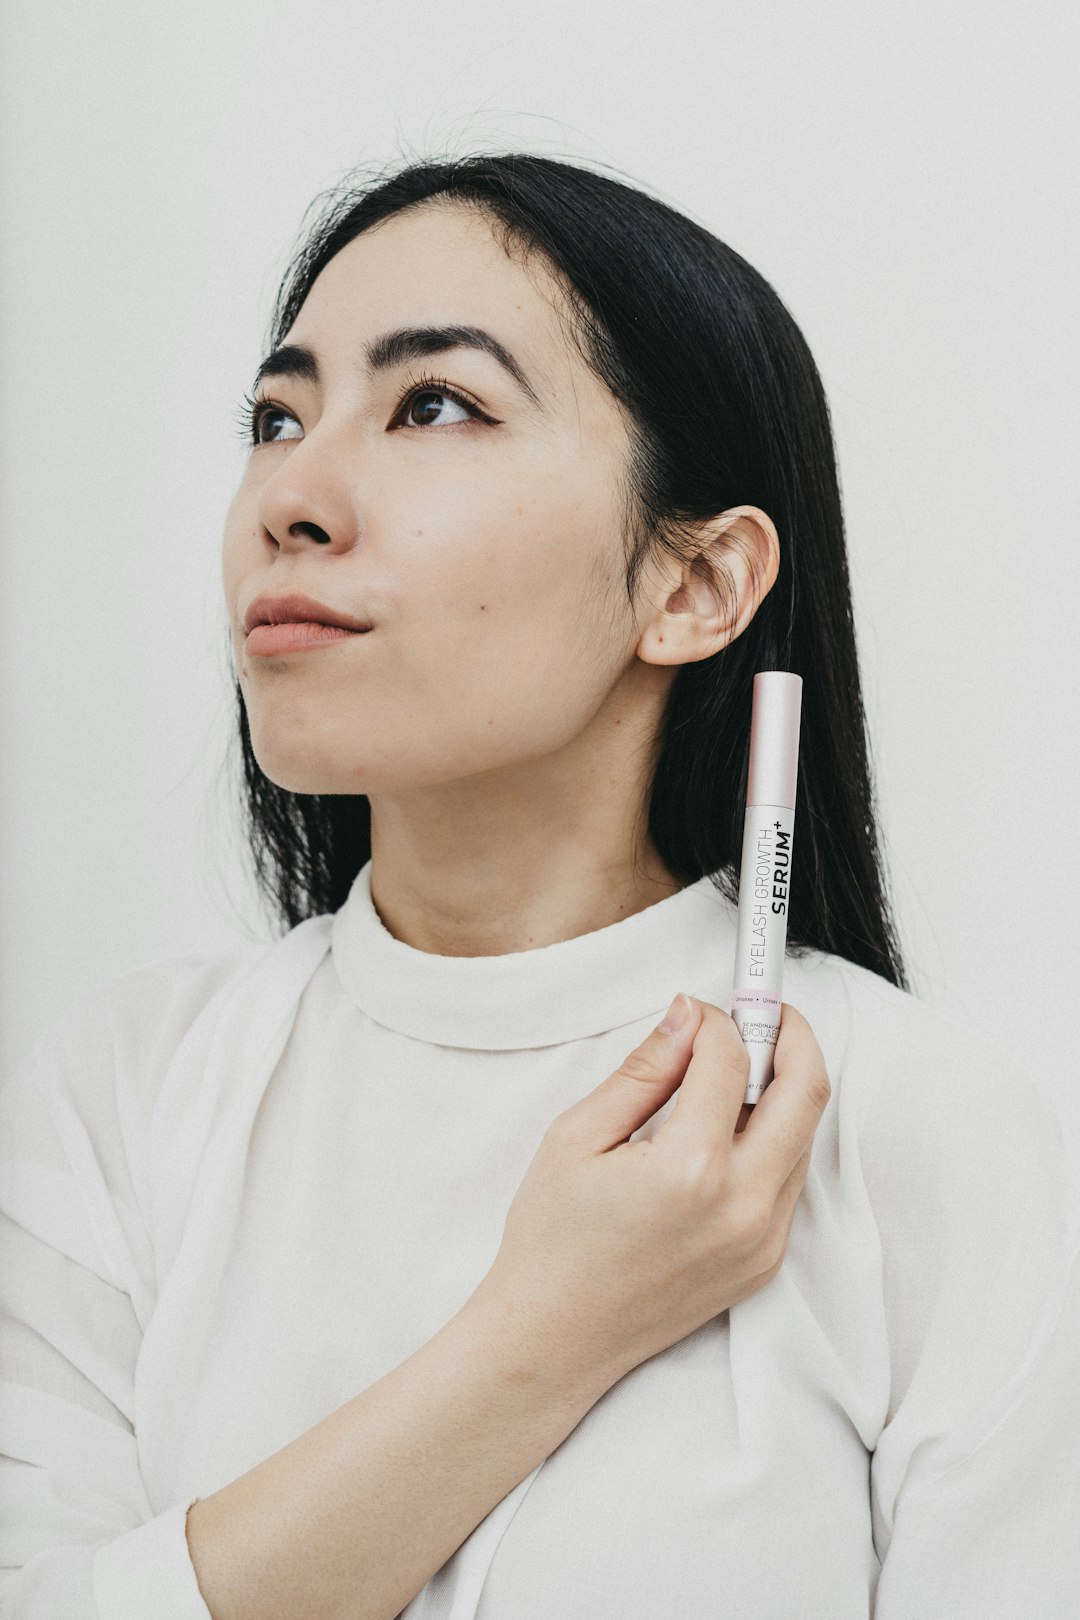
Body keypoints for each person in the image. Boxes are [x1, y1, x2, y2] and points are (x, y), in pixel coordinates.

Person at [1, 152, 1077, 1620]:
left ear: (693, 585)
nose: (291, 496)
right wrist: (551, 1328)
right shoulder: (125, 1093)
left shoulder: (918, 1130)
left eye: (435, 403)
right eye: (275, 417)